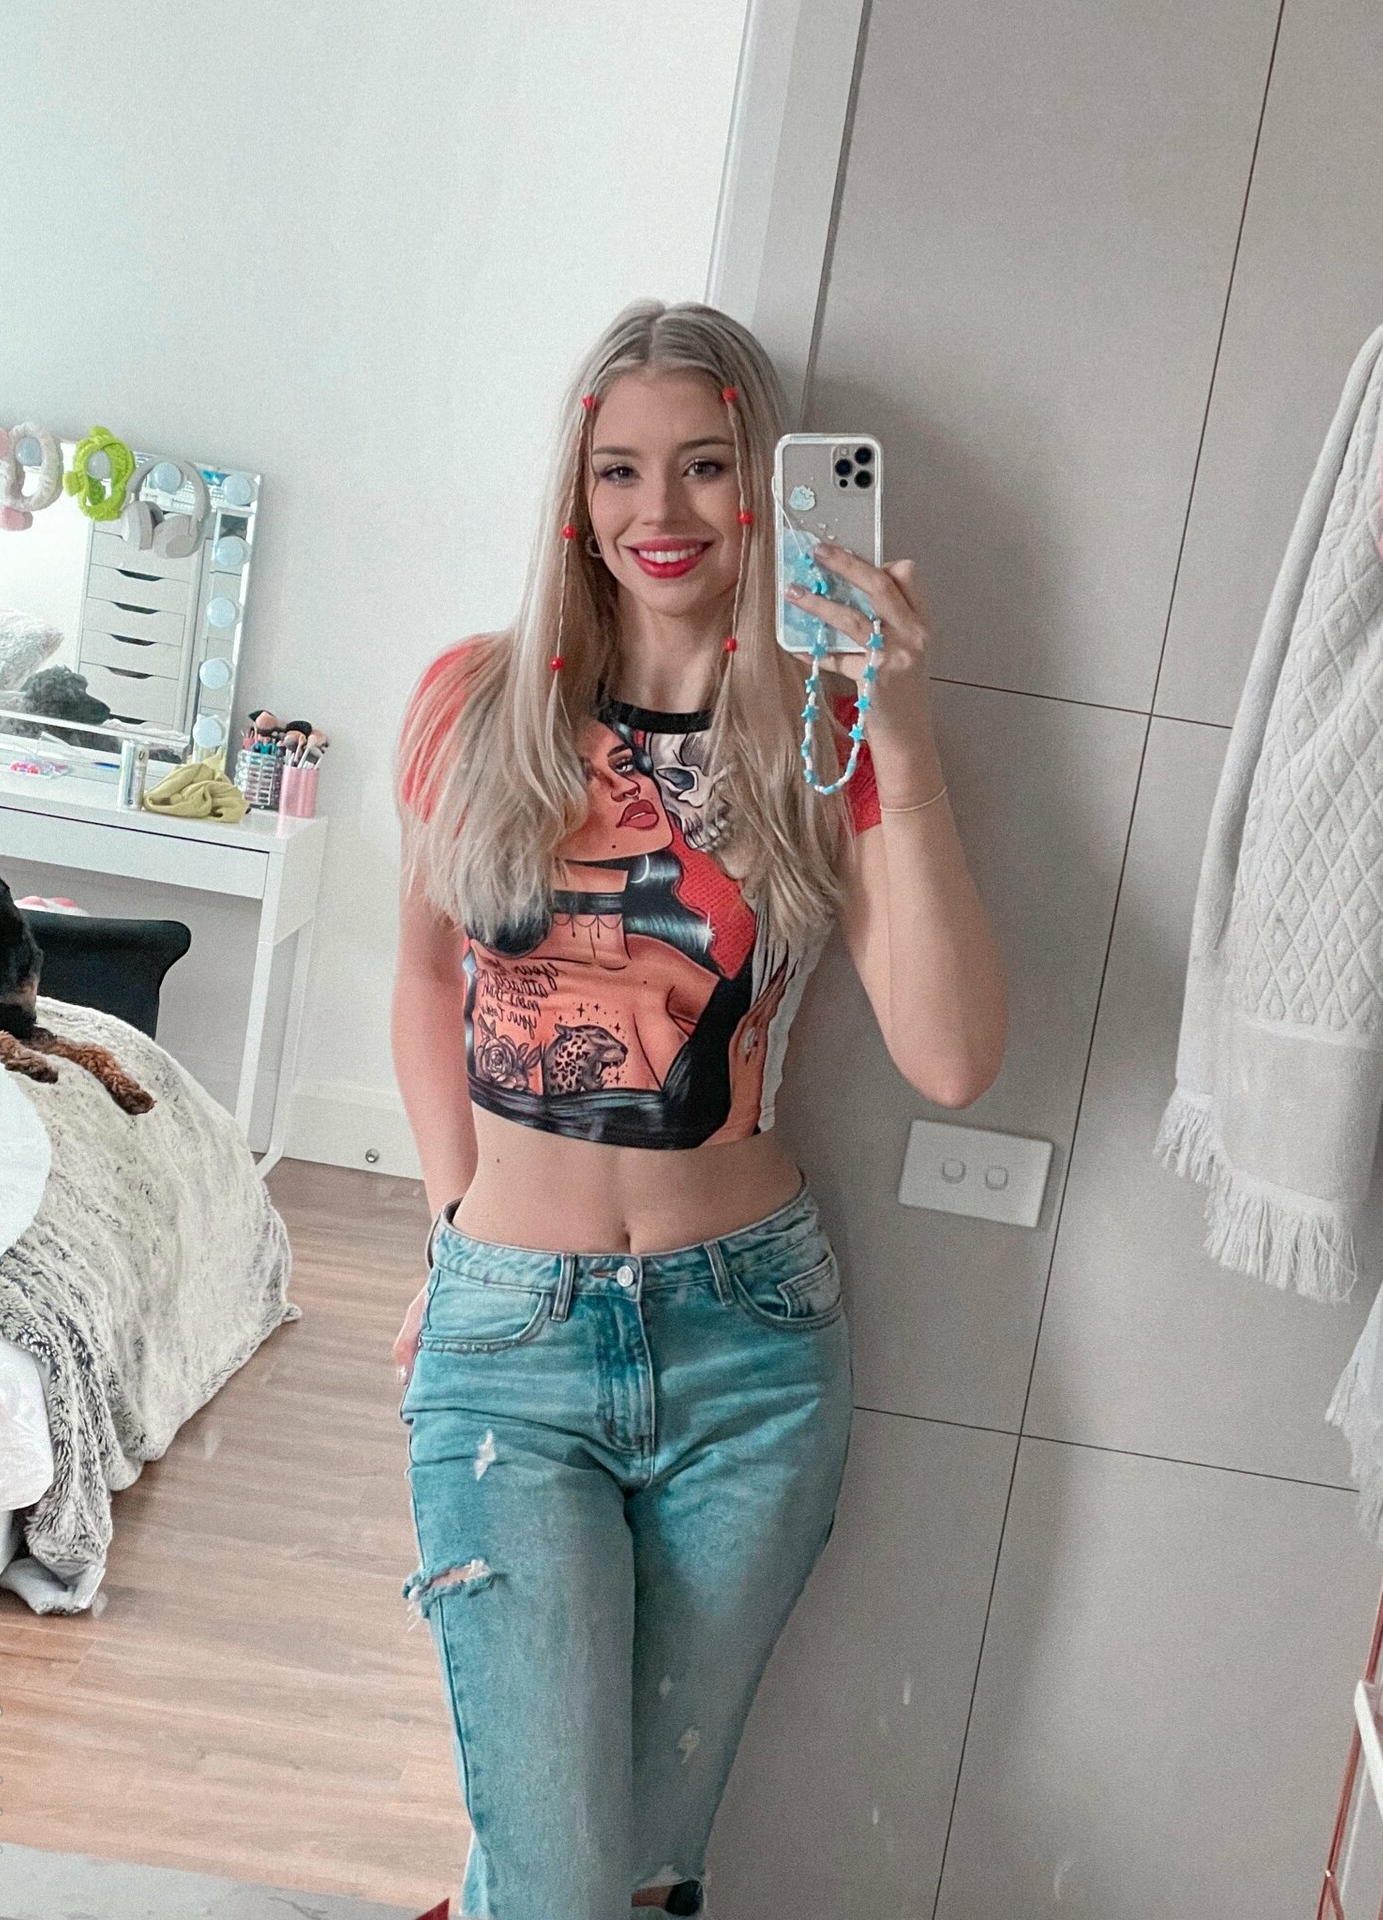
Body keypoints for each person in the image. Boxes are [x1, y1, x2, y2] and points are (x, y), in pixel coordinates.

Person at [390, 298, 1008, 1919]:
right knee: (555, 1874)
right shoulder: (473, 701)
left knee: (646, 1869)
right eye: (618, 469)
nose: (658, 511)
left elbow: (951, 1056)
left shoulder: (819, 736)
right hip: (507, 1346)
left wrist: (895, 725)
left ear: (765, 486)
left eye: (706, 465)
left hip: (750, 1348)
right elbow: (423, 980)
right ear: (574, 493)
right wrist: (456, 1233)